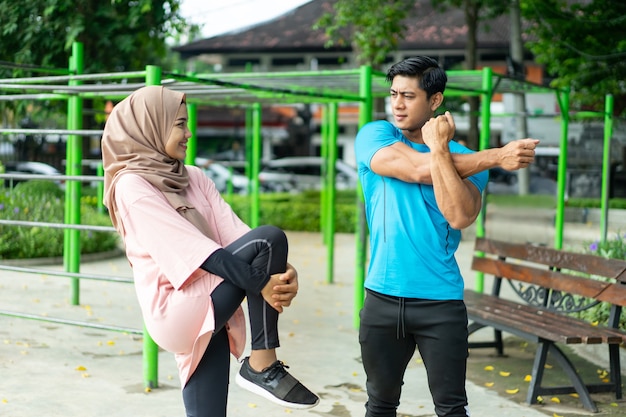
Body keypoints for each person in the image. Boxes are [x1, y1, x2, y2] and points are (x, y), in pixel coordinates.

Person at [101, 85, 319, 417]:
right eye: (179, 124)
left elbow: (237, 235)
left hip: (213, 299)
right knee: (269, 238)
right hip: (177, 307)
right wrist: (261, 280)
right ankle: (262, 365)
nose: (189, 133)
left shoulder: (195, 177)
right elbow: (200, 253)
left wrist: (284, 271)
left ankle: (261, 367)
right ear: (152, 125)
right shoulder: (131, 186)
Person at [354, 56, 539, 417]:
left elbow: (460, 216)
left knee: (452, 409)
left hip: (440, 304)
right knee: (379, 405)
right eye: (394, 94)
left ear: (435, 101)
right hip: (382, 298)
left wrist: (439, 148)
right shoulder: (374, 135)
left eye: (408, 96)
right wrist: (498, 156)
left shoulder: (467, 158)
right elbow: (413, 168)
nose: (397, 104)